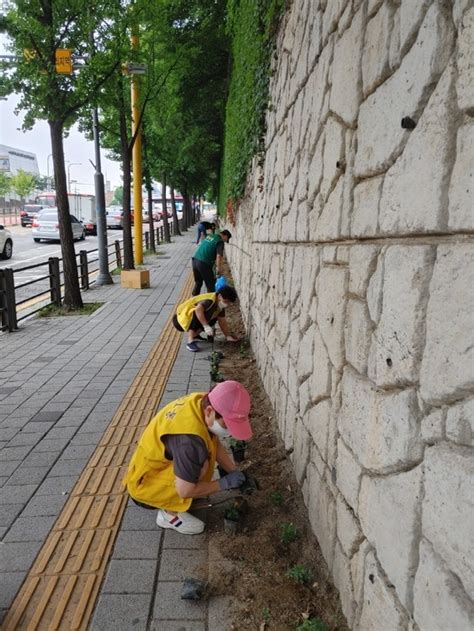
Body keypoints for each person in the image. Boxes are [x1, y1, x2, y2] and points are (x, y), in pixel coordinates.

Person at [123, 380, 252, 535]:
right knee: (197, 525)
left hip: (152, 467)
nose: (230, 432)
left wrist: (233, 470)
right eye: (227, 425)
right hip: (145, 486)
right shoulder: (189, 442)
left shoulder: (201, 402)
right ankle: (168, 514)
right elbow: (185, 490)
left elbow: (214, 443)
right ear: (210, 411)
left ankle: (184, 490)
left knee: (200, 461)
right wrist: (224, 483)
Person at [172, 286, 239, 352]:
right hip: (180, 320)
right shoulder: (210, 300)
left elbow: (222, 322)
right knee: (195, 313)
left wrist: (228, 336)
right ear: (219, 296)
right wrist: (206, 326)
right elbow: (198, 309)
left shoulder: (219, 307)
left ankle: (195, 334)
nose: (227, 304)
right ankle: (190, 342)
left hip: (187, 320)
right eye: (226, 301)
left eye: (229, 303)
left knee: (213, 318)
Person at [192, 229, 231, 296]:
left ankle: (193, 301)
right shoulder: (220, 241)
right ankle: (210, 304)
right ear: (225, 235)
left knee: (198, 282)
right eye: (226, 239)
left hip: (195, 260)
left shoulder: (211, 236)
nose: (225, 241)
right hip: (204, 263)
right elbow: (219, 256)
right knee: (211, 286)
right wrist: (218, 269)